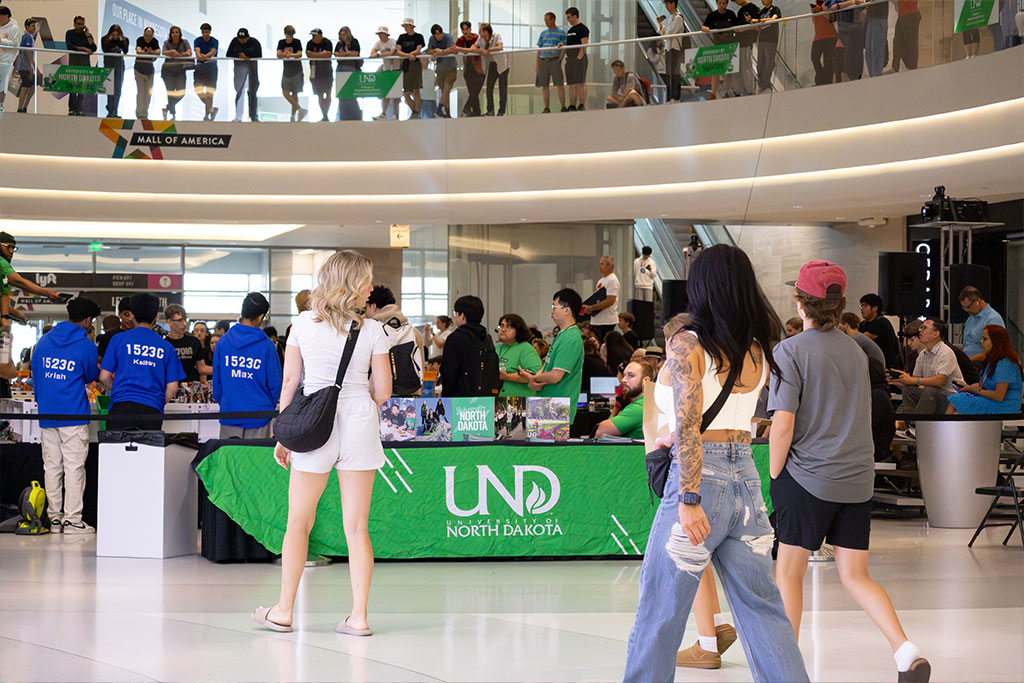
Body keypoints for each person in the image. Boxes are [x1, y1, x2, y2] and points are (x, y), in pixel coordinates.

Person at [624, 244, 806, 682]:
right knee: (763, 609)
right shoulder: (758, 350)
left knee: (661, 609)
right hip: (745, 476)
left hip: (699, 479)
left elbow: (689, 426)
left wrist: (688, 497)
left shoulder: (688, 344)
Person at [769, 259, 931, 683]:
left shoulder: (788, 351)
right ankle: (905, 650)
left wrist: (774, 474)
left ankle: (785, 669)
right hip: (856, 479)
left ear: (800, 302)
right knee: (856, 575)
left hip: (807, 476)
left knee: (788, 571)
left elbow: (783, 423)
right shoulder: (856, 350)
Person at [252, 250, 391, 636]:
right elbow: (383, 390)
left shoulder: (301, 325)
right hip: (359, 421)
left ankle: (283, 610)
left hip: (313, 425)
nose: (370, 288)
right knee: (357, 526)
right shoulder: (373, 330)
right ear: (349, 283)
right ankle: (358, 617)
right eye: (365, 280)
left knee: (298, 521)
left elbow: (289, 383)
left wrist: (284, 432)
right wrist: (357, 401)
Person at [30, 297, 101, 534]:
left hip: (47, 413)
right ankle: (73, 519)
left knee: (51, 466)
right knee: (74, 467)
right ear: (89, 320)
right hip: (73, 414)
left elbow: (36, 375)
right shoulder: (86, 345)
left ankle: (54, 518)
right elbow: (92, 375)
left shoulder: (44, 340)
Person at [99, 293, 184, 431]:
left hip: (121, 408)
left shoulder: (118, 340)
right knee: (148, 452)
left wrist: (119, 391)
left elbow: (104, 376)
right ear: (156, 316)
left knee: (117, 451)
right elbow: (173, 388)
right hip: (151, 410)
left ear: (132, 314)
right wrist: (158, 402)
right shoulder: (166, 347)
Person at [213, 292, 282, 438]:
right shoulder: (267, 346)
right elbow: (275, 384)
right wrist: (267, 407)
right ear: (261, 316)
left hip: (230, 413)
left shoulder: (223, 342)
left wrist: (227, 402)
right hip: (259, 415)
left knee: (228, 459)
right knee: (254, 460)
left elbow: (217, 382)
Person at [521, 288, 585, 422]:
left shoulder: (571, 338)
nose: (552, 311)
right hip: (546, 404)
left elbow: (556, 375)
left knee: (549, 443)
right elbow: (547, 366)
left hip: (557, 409)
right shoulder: (562, 334)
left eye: (554, 307)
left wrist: (534, 380)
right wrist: (533, 377)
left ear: (567, 310)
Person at [890, 317, 963, 416]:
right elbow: (915, 380)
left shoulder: (945, 352)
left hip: (951, 398)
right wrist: (902, 379)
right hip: (933, 396)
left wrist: (913, 380)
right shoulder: (923, 354)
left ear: (936, 333)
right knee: (909, 390)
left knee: (930, 391)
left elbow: (939, 381)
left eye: (924, 328)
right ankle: (908, 423)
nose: (920, 331)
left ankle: (918, 424)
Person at [947, 325, 1022, 415]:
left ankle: (945, 428)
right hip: (991, 400)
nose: (981, 342)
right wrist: (968, 388)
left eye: (984, 339)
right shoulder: (992, 361)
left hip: (1004, 405)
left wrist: (977, 391)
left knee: (958, 409)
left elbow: (999, 396)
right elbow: (984, 385)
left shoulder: (1005, 364)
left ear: (996, 341)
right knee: (956, 400)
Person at [364, 285, 424, 396]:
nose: (365, 313)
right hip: (411, 393)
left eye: (366, 308)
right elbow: (420, 369)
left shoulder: (371, 331)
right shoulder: (413, 331)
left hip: (380, 396)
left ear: (373, 306)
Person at [1, 232, 62, 329]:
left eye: (13, 248)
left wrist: (17, 315)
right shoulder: (1, 262)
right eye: (8, 247)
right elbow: (19, 282)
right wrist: (48, 293)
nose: (11, 251)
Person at [440, 295, 493, 397]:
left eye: (456, 313)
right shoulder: (486, 338)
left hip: (459, 397)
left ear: (462, 315)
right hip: (485, 397)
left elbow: (449, 372)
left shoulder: (455, 338)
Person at [595, 360, 653, 438]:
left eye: (631, 375)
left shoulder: (640, 407)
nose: (623, 380)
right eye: (624, 375)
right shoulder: (649, 401)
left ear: (646, 381)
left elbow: (600, 431)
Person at [496, 313, 543, 397]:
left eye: (508, 327)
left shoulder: (526, 348)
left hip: (521, 400)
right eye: (501, 326)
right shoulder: (497, 348)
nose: (503, 329)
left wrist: (507, 376)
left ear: (518, 330)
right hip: (498, 398)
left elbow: (535, 375)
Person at [164, 304, 209, 384]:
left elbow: (202, 368)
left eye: (185, 319)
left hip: (189, 388)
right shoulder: (164, 344)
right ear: (169, 322)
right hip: (169, 387)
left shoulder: (194, 342)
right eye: (180, 320)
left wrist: (224, 369)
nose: (184, 324)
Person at [702, 0, 737, 100]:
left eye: (724, 3)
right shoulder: (712, 16)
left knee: (729, 70)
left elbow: (736, 27)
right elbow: (704, 26)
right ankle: (713, 93)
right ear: (717, 3)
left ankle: (726, 91)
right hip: (718, 45)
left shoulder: (731, 14)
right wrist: (708, 29)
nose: (722, 5)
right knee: (715, 70)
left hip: (730, 45)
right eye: (720, 3)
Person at [959, 286, 1005, 361]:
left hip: (983, 364)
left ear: (977, 301)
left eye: (968, 307)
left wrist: (968, 361)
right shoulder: (970, 319)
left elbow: (993, 351)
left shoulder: (993, 319)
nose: (966, 310)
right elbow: (966, 345)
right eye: (964, 308)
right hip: (970, 363)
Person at [827, 0, 867, 81]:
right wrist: (851, 3)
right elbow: (829, 7)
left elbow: (863, 4)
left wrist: (840, 5)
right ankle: (852, 78)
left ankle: (857, 78)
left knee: (857, 54)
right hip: (844, 30)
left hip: (857, 28)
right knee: (848, 55)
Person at [227, 28, 261, 122]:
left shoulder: (254, 42)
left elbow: (258, 54)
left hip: (252, 71)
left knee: (252, 93)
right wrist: (239, 55)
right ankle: (238, 116)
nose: (242, 41)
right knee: (239, 92)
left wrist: (247, 56)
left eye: (244, 39)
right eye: (240, 39)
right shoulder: (234, 41)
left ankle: (253, 116)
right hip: (239, 72)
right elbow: (228, 54)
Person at [582, 255, 620, 341]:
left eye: (602, 264)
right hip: (598, 319)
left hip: (606, 321)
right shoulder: (601, 280)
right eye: (600, 264)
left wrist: (592, 308)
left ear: (609, 266)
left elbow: (610, 300)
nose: (600, 266)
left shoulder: (612, 280)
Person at [536, 12, 567, 113]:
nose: (545, 22)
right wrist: (537, 65)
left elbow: (564, 47)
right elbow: (539, 49)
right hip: (543, 60)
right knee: (544, 85)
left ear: (553, 19)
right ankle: (546, 107)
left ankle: (563, 106)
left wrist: (559, 60)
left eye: (547, 20)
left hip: (555, 60)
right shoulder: (543, 33)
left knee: (559, 84)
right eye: (544, 20)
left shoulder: (561, 33)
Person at [65, 16, 96, 116]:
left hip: (85, 64)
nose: (81, 26)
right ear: (74, 24)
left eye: (82, 24)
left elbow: (93, 48)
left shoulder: (87, 35)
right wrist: (84, 49)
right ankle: (71, 109)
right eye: (78, 24)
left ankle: (80, 109)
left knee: (82, 88)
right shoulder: (69, 33)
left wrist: (87, 35)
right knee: (73, 88)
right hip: (74, 63)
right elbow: (70, 46)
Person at [858, 293, 899, 368]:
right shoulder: (863, 324)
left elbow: (861, 340)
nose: (862, 308)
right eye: (861, 305)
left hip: (886, 366)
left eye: (865, 305)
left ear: (874, 308)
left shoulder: (881, 322)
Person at [476, 23, 508, 116]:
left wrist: (488, 50)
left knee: (503, 89)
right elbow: (475, 47)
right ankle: (490, 111)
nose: (480, 33)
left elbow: (499, 47)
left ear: (486, 31)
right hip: (492, 65)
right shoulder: (480, 39)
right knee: (489, 88)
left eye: (481, 30)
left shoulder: (496, 36)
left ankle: (501, 111)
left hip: (502, 65)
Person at [160, 26, 192, 121]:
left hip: (180, 70)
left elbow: (189, 52)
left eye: (177, 32)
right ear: (170, 34)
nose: (175, 34)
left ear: (180, 34)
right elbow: (164, 52)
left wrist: (181, 54)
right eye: (173, 32)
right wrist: (172, 52)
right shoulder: (167, 43)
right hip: (168, 70)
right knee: (170, 92)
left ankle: (167, 108)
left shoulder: (184, 42)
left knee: (181, 92)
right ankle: (173, 115)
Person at [396, 18, 425, 119]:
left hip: (415, 64)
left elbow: (418, 49)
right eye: (404, 26)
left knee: (416, 89)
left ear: (411, 26)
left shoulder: (418, 37)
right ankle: (415, 111)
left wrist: (411, 54)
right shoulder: (402, 37)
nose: (405, 28)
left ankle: (416, 112)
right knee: (406, 92)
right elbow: (398, 51)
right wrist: (408, 55)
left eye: (407, 26)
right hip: (406, 65)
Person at [277, 26, 307, 123]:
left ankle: (293, 116)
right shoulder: (281, 42)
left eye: (291, 34)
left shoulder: (296, 42)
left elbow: (299, 54)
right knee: (285, 92)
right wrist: (285, 55)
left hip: (296, 71)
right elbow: (278, 54)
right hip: (286, 71)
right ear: (285, 34)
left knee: (295, 94)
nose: (290, 36)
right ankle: (300, 109)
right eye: (288, 34)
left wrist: (289, 54)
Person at [658, 0, 687, 102]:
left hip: (675, 48)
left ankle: (675, 97)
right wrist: (662, 28)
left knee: (674, 73)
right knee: (669, 73)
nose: (666, 6)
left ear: (673, 3)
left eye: (668, 4)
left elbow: (670, 34)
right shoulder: (671, 17)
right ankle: (670, 97)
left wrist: (665, 31)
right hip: (669, 48)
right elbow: (666, 35)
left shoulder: (678, 18)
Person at [369, 26, 399, 120]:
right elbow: (372, 53)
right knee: (386, 92)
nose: (380, 36)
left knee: (396, 93)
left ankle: (395, 113)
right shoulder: (378, 43)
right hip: (386, 69)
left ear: (386, 34)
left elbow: (392, 52)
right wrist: (379, 54)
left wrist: (379, 54)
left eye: (381, 34)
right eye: (379, 34)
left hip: (396, 69)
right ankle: (384, 113)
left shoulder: (393, 42)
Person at [427, 24, 456, 118]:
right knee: (444, 91)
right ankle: (447, 112)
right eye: (437, 35)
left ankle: (438, 109)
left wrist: (440, 52)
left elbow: (451, 49)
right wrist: (436, 50)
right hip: (440, 69)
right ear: (433, 35)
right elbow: (429, 51)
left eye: (440, 34)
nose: (440, 36)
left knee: (446, 90)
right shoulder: (432, 39)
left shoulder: (448, 37)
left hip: (450, 67)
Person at [455, 21, 483, 117]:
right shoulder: (461, 40)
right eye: (463, 29)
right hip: (467, 69)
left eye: (467, 29)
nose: (465, 31)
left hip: (478, 68)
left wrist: (463, 50)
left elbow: (475, 49)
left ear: (470, 29)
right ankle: (477, 113)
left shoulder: (476, 38)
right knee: (472, 92)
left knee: (475, 91)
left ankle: (467, 108)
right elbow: (455, 49)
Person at [101, 24, 129, 117]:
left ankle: (115, 109)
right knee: (109, 87)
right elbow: (105, 49)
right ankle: (110, 108)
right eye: (114, 34)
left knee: (118, 87)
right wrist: (110, 39)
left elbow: (125, 50)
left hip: (119, 64)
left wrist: (121, 40)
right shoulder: (104, 39)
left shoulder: (124, 39)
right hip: (109, 64)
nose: (115, 36)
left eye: (117, 34)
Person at [335, 26, 362, 121]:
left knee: (350, 93)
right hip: (340, 68)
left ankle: (355, 114)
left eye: (344, 34)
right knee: (342, 93)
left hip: (351, 68)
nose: (343, 36)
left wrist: (343, 54)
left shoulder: (354, 42)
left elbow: (355, 53)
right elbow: (336, 54)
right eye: (341, 35)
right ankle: (343, 115)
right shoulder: (339, 44)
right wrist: (346, 54)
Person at [733, 0, 760, 94]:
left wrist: (743, 29)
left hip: (747, 42)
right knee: (739, 68)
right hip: (739, 42)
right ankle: (741, 90)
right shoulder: (740, 11)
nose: (736, 3)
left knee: (746, 67)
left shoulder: (753, 8)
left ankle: (750, 90)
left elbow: (757, 26)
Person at [564, 7, 589, 111]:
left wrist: (579, 58)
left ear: (575, 16)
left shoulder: (582, 29)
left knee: (580, 83)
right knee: (572, 83)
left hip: (579, 59)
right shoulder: (570, 30)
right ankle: (572, 104)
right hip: (570, 59)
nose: (568, 20)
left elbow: (584, 45)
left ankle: (581, 104)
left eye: (569, 17)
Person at [306, 28, 333, 122]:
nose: (313, 37)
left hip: (326, 71)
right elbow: (308, 54)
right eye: (312, 35)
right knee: (319, 94)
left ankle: (327, 114)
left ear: (320, 35)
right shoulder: (310, 43)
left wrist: (315, 55)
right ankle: (324, 115)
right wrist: (321, 54)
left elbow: (328, 55)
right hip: (315, 72)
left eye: (315, 35)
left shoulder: (327, 42)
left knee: (328, 93)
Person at [193, 23, 219, 121]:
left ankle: (207, 115)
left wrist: (205, 56)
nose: (205, 34)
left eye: (207, 32)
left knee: (209, 93)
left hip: (211, 69)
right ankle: (211, 109)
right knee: (197, 89)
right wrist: (201, 56)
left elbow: (213, 52)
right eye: (203, 32)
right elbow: (197, 52)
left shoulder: (214, 41)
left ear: (210, 32)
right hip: (200, 68)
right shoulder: (198, 40)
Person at [755, 0, 782, 93]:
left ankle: (765, 83)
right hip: (761, 39)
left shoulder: (775, 9)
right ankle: (762, 83)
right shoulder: (761, 12)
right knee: (760, 63)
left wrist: (759, 20)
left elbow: (774, 19)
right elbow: (757, 26)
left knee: (769, 61)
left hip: (771, 39)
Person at [810, 0, 838, 85]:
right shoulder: (815, 5)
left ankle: (826, 81)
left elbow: (833, 18)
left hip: (830, 36)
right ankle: (821, 78)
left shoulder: (830, 3)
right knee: (814, 58)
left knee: (828, 61)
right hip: (818, 35)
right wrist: (814, 11)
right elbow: (814, 21)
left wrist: (822, 10)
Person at [134, 27, 159, 119]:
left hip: (150, 71)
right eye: (146, 35)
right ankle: (139, 113)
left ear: (152, 35)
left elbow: (158, 52)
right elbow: (139, 51)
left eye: (149, 36)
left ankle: (145, 112)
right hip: (139, 70)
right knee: (141, 92)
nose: (147, 37)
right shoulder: (140, 40)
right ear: (143, 34)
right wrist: (149, 53)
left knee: (148, 93)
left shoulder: (154, 41)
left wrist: (150, 52)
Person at [0, 6, 20, 114]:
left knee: (2, 82)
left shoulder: (14, 28)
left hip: (5, 61)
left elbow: (15, 44)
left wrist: (2, 41)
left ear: (6, 16)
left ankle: (1, 105)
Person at [891, 0, 920, 72]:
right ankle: (895, 66)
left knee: (911, 43)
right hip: (903, 13)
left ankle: (911, 67)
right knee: (897, 41)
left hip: (910, 14)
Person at [15, 17, 36, 113]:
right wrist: (32, 65)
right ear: (27, 27)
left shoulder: (28, 37)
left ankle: (24, 106)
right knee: (26, 85)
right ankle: (20, 107)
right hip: (24, 66)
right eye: (32, 26)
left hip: (24, 65)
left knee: (32, 85)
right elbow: (28, 52)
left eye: (35, 26)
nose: (34, 28)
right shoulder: (27, 37)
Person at [864, 0, 888, 76]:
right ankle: (873, 75)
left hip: (880, 16)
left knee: (877, 48)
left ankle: (876, 74)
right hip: (871, 16)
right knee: (869, 50)